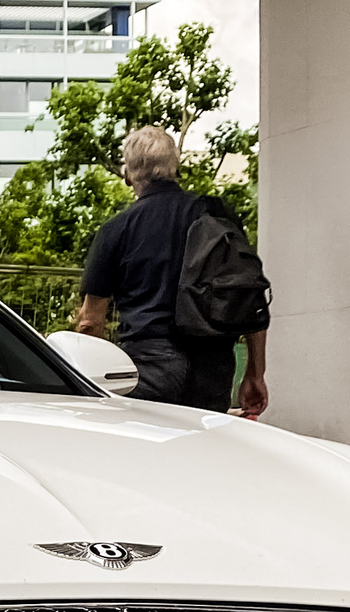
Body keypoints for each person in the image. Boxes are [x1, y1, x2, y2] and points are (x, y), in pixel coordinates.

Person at [73, 126, 270, 416]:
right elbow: (249, 297)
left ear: (128, 175)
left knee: (149, 455)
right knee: (202, 454)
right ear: (174, 167)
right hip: (213, 365)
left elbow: (90, 323)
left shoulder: (116, 230)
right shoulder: (217, 215)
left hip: (148, 367)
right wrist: (254, 373)